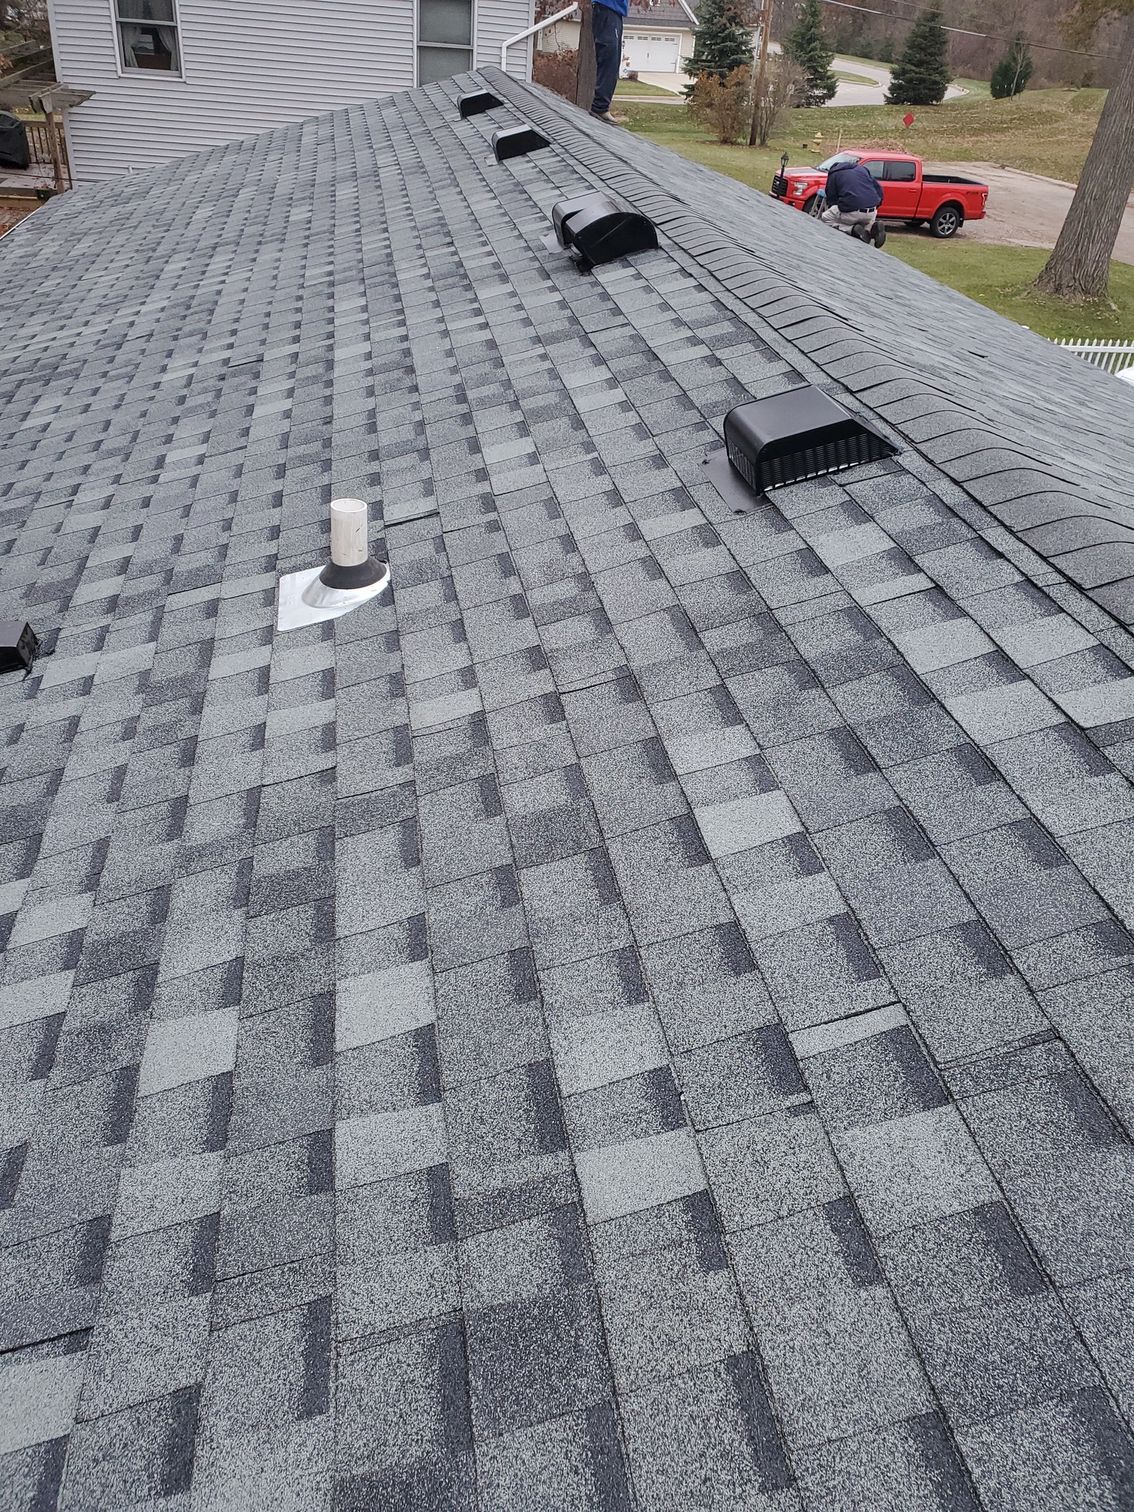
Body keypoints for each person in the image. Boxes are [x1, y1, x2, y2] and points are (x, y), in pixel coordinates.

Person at [821, 156, 886, 247]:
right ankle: (872, 228)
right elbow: (879, 190)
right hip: (871, 210)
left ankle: (852, 229)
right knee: (865, 222)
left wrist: (838, 208)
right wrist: (877, 205)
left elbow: (831, 197)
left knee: (826, 218)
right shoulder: (863, 170)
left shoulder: (834, 173)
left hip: (851, 211)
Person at [591, 0, 629, 122]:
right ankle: (599, 107)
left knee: (613, 60)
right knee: (609, 59)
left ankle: (601, 107)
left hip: (614, 12)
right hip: (606, 9)